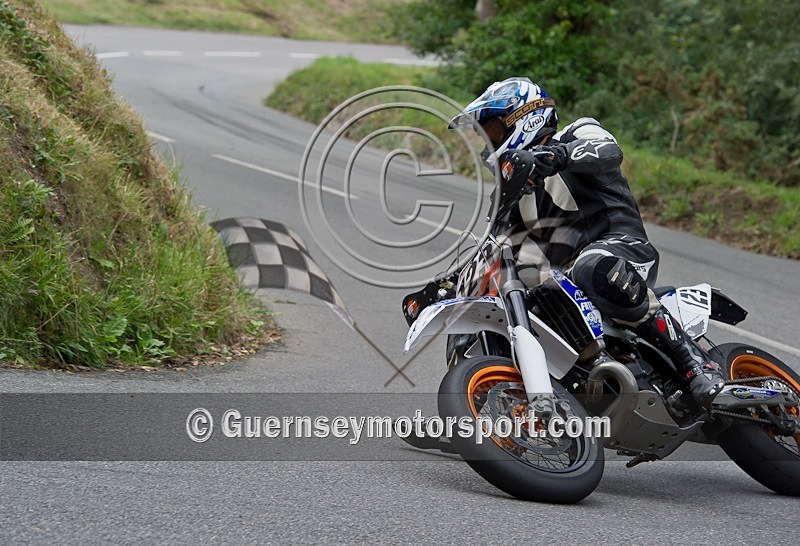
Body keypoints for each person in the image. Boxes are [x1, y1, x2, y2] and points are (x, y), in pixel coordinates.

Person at [446, 77, 725, 407]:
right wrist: (446, 290)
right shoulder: (513, 191)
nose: (488, 142)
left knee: (591, 266)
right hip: (569, 279)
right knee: (515, 298)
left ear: (523, 117)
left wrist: (553, 157)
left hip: (622, 249)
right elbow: (498, 246)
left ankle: (697, 366)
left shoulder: (578, 133)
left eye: (492, 131)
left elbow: (608, 152)